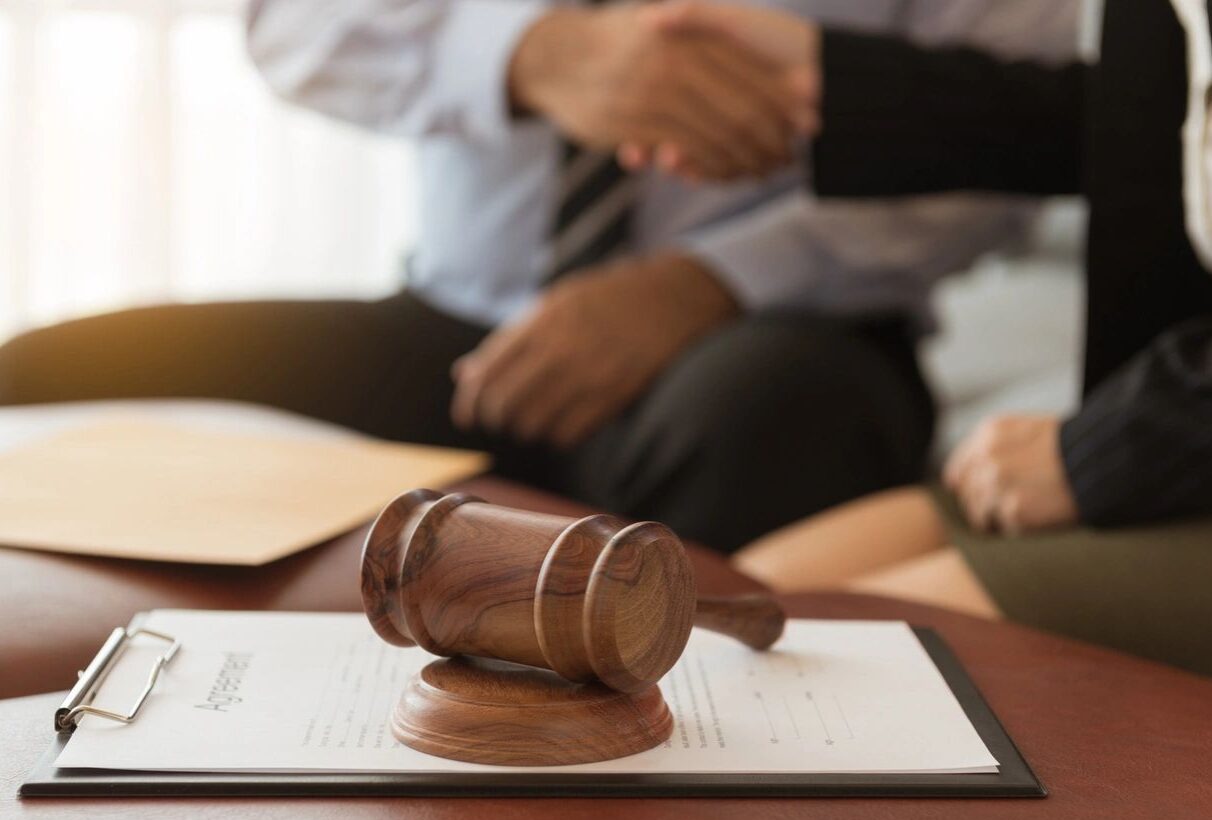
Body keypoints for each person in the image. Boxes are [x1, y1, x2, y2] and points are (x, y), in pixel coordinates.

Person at [0, 0, 1075, 552]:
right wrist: (532, 52)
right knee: (47, 379)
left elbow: (1027, 144)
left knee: (770, 416)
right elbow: (289, 25)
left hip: (789, 326)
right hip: (460, 323)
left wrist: (711, 278)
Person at [641, 1, 1212, 674]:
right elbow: (1146, 122)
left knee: (803, 659)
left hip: (1177, 430)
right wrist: (828, 77)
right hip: (1179, 437)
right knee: (732, 604)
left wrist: (1106, 451)